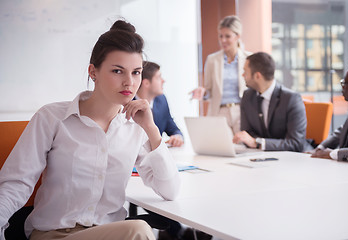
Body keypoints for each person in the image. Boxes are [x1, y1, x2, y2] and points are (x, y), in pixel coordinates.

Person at [0, 19, 180, 240]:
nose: (129, 82)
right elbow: (17, 183)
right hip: (55, 234)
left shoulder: (135, 128)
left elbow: (169, 190)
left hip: (109, 233)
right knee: (139, 231)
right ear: (93, 72)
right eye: (117, 71)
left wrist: (151, 129)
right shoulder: (51, 118)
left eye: (136, 72)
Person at [233, 52, 312, 152]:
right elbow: (247, 134)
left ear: (257, 76)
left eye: (245, 72)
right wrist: (254, 143)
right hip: (260, 156)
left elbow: (296, 143)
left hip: (292, 159)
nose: (243, 75)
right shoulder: (247, 97)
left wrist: (258, 143)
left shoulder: (292, 99)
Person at [190, 15, 250, 134]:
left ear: (237, 36)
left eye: (227, 36)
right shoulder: (212, 60)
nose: (223, 40)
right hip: (219, 112)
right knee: (220, 149)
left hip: (242, 112)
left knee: (244, 149)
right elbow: (209, 90)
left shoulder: (249, 58)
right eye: (221, 36)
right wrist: (203, 92)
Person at [311, 61, 348, 162]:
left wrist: (333, 154)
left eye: (346, 83)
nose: (342, 87)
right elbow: (343, 130)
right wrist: (321, 148)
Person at [136, 61, 184, 147]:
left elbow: (173, 128)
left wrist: (177, 137)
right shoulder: (127, 104)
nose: (163, 81)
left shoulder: (161, 100)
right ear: (146, 83)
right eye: (158, 77)